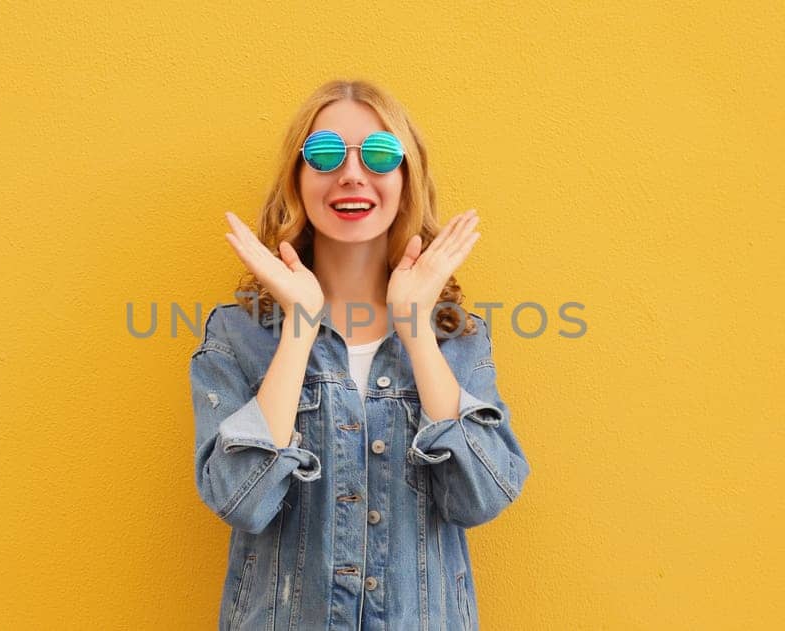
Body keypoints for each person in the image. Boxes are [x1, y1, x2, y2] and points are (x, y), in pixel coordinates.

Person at [190, 78, 531, 630]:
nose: (351, 173)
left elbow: (482, 497)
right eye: (325, 155)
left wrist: (415, 327)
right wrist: (300, 324)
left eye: (378, 155)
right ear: (297, 180)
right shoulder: (236, 337)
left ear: (405, 178)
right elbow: (241, 502)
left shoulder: (458, 339)